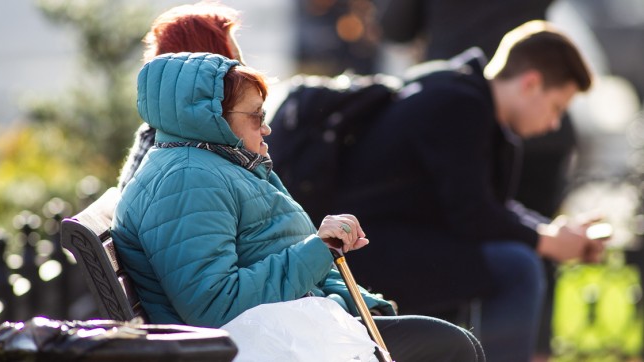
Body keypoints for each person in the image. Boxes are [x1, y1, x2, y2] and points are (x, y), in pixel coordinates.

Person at [111, 51, 485, 361]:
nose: (267, 127)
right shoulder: (187, 179)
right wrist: (320, 248)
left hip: (286, 330)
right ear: (211, 117)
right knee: (451, 348)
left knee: (453, 344)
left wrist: (359, 302)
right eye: (256, 116)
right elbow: (216, 305)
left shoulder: (215, 163)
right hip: (252, 345)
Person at [332, 20, 606, 362]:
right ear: (531, 83)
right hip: (366, 250)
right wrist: (548, 241)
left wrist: (549, 232)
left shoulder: (462, 89)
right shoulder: (462, 105)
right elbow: (473, 215)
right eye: (557, 108)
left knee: (510, 257)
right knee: (517, 266)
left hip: (387, 242)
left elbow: (488, 205)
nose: (553, 124)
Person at [117, 1, 244, 191]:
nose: (245, 71)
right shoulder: (175, 144)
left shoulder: (187, 134)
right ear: (204, 69)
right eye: (235, 64)